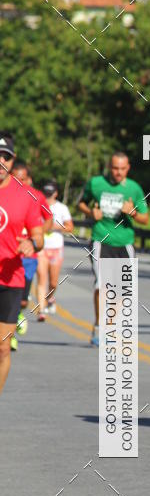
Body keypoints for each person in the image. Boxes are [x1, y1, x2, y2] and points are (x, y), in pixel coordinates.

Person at [78, 152, 149, 346]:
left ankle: (108, 325)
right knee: (101, 285)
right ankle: (99, 326)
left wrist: (132, 212)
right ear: (109, 167)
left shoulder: (134, 188)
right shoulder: (96, 183)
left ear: (128, 168)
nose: (118, 172)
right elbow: (81, 203)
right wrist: (90, 212)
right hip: (101, 240)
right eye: (115, 168)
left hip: (124, 243)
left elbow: (145, 218)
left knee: (122, 290)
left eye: (122, 169)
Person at [0, 134, 45, 392]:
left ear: (12, 159)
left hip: (10, 280)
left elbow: (38, 236)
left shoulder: (25, 196)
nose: (1, 161)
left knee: (3, 348)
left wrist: (32, 243)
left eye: (5, 157)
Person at [10, 160, 51, 342]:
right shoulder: (5, 194)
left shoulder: (36, 197)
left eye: (23, 180)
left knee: (23, 300)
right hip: (8, 254)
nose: (20, 184)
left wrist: (37, 236)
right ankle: (9, 335)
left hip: (28, 256)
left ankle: (17, 316)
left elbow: (48, 218)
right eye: (16, 179)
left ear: (30, 179)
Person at [37, 180, 73, 317]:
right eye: (45, 193)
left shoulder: (62, 208)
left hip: (56, 248)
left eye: (50, 194)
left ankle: (50, 298)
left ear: (56, 193)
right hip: (41, 248)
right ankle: (41, 310)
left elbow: (70, 227)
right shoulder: (37, 205)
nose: (47, 196)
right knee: (42, 279)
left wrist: (56, 226)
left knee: (53, 282)